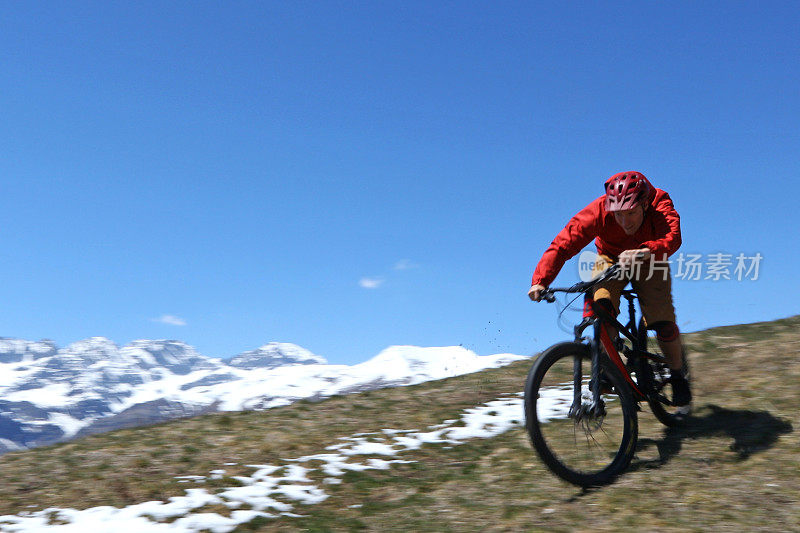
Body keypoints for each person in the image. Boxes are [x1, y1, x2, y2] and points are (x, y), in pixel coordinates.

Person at [528, 171, 691, 408]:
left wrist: (646, 251)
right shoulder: (599, 210)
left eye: (631, 214)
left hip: (650, 257)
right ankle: (608, 369)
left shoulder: (659, 201)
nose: (625, 222)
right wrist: (541, 279)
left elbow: (673, 237)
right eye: (618, 215)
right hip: (610, 258)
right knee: (599, 308)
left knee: (661, 319)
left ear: (644, 204)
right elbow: (565, 242)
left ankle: (678, 375)